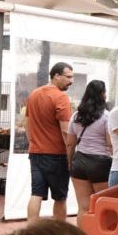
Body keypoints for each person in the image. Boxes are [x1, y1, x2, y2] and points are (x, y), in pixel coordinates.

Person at [25, 62, 74, 221]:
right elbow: (66, 131)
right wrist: (70, 155)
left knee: (36, 194)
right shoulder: (61, 97)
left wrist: (32, 143)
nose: (71, 81)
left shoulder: (34, 94)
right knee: (60, 197)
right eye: (68, 77)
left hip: (36, 153)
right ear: (56, 76)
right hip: (57, 155)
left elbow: (27, 123)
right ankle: (59, 234)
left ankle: (30, 231)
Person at [65, 80, 113, 213]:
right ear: (103, 94)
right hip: (100, 163)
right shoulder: (107, 117)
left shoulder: (76, 116)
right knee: (102, 207)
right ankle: (97, 234)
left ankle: (82, 233)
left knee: (83, 207)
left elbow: (70, 144)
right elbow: (110, 143)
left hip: (79, 162)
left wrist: (69, 163)